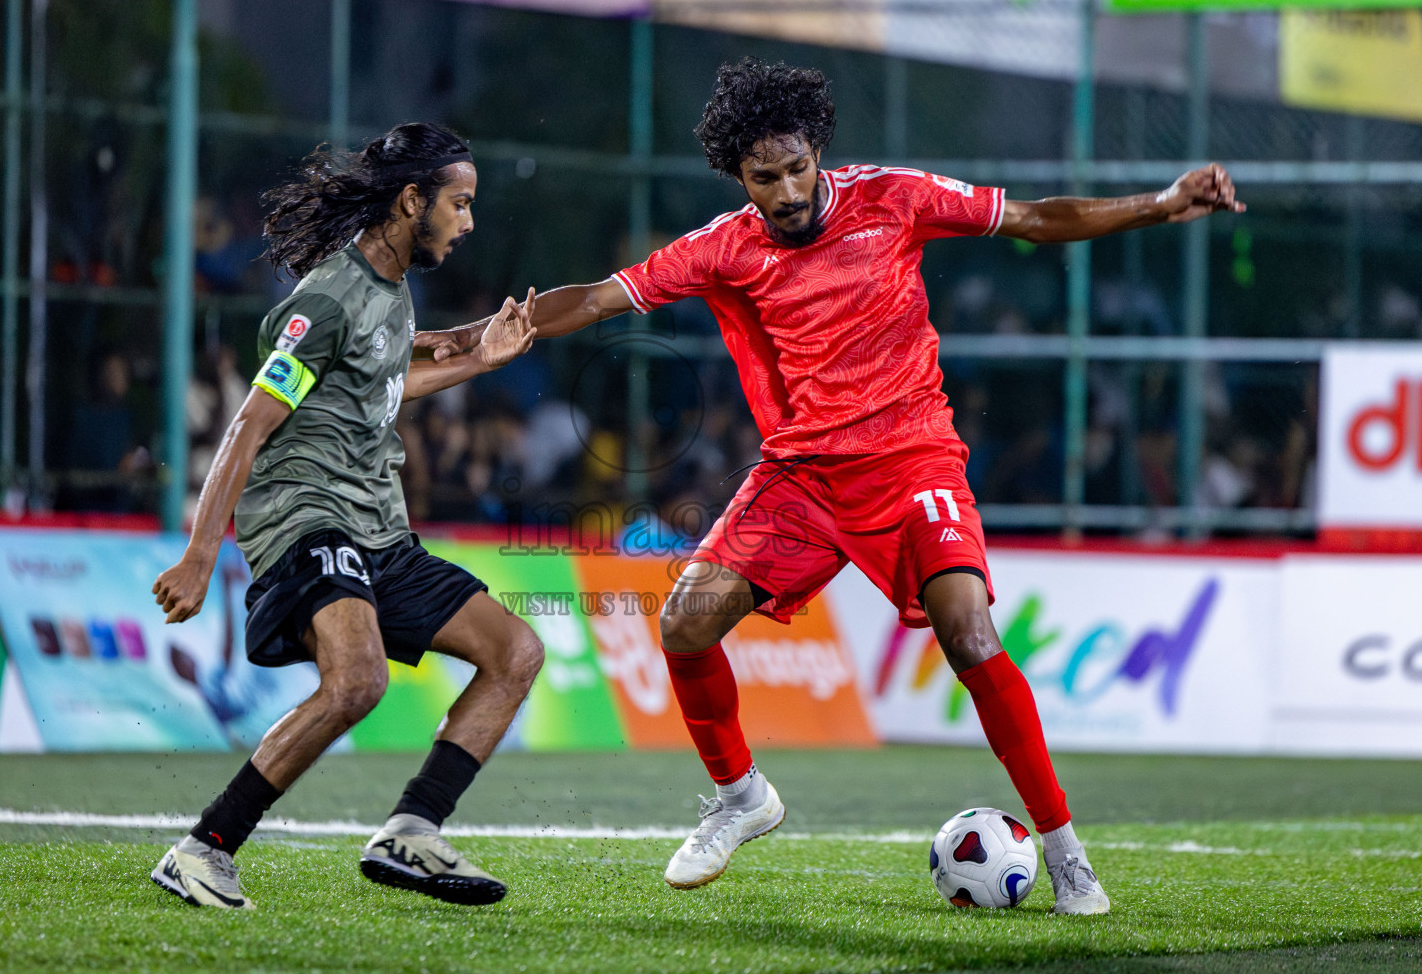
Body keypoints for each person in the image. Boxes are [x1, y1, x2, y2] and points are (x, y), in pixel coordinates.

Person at [425, 60, 1245, 915]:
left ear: (819, 151)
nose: (786, 191)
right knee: (685, 622)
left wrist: (1158, 203)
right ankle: (742, 797)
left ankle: (1067, 853)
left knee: (969, 635)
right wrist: (481, 338)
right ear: (738, 177)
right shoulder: (723, 246)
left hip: (913, 457)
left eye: (796, 167)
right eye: (763, 176)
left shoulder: (894, 198)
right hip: (803, 476)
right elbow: (597, 299)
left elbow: (1036, 220)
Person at [149, 122, 542, 911]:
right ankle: (203, 849)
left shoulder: (391, 285)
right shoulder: (326, 299)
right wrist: (201, 555)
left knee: (516, 652)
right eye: (459, 204)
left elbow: (383, 381)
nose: (468, 222)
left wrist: (474, 355)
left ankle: (413, 828)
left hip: (377, 527)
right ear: (411, 200)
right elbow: (248, 425)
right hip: (307, 517)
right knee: (357, 681)